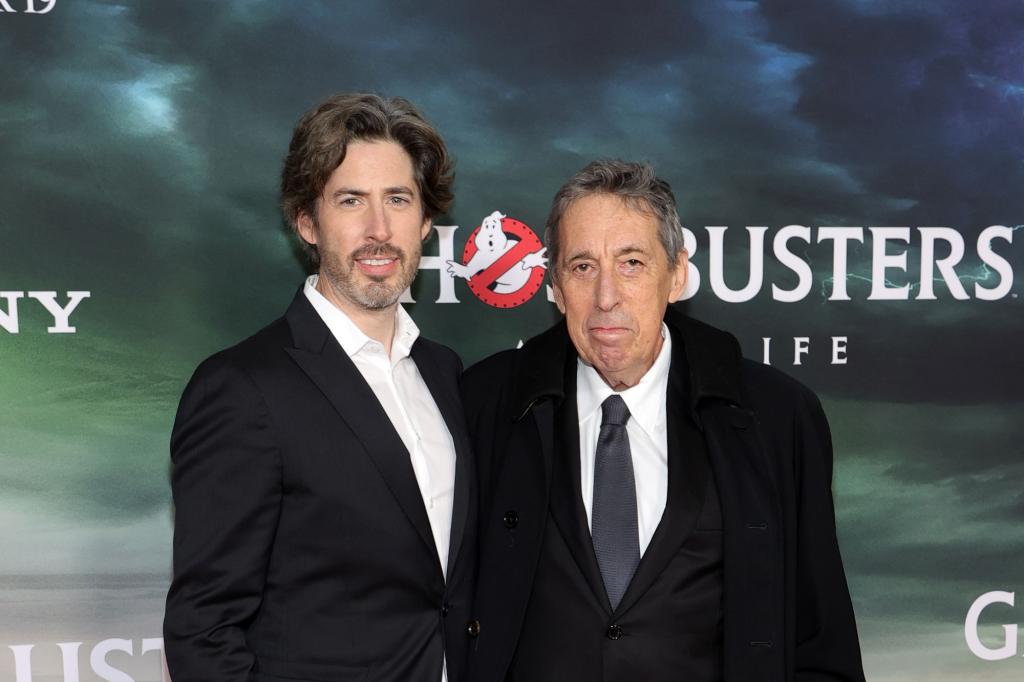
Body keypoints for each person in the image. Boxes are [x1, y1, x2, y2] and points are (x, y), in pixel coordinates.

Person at [462, 160, 865, 681]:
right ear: (555, 287)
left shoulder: (777, 418)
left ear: (676, 276)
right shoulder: (484, 404)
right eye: (582, 267)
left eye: (631, 263)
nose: (606, 297)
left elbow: (820, 639)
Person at [164, 93, 476, 682]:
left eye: (398, 200)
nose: (378, 230)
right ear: (307, 221)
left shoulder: (444, 373)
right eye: (351, 200)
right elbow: (203, 630)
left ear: (426, 222)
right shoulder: (241, 388)